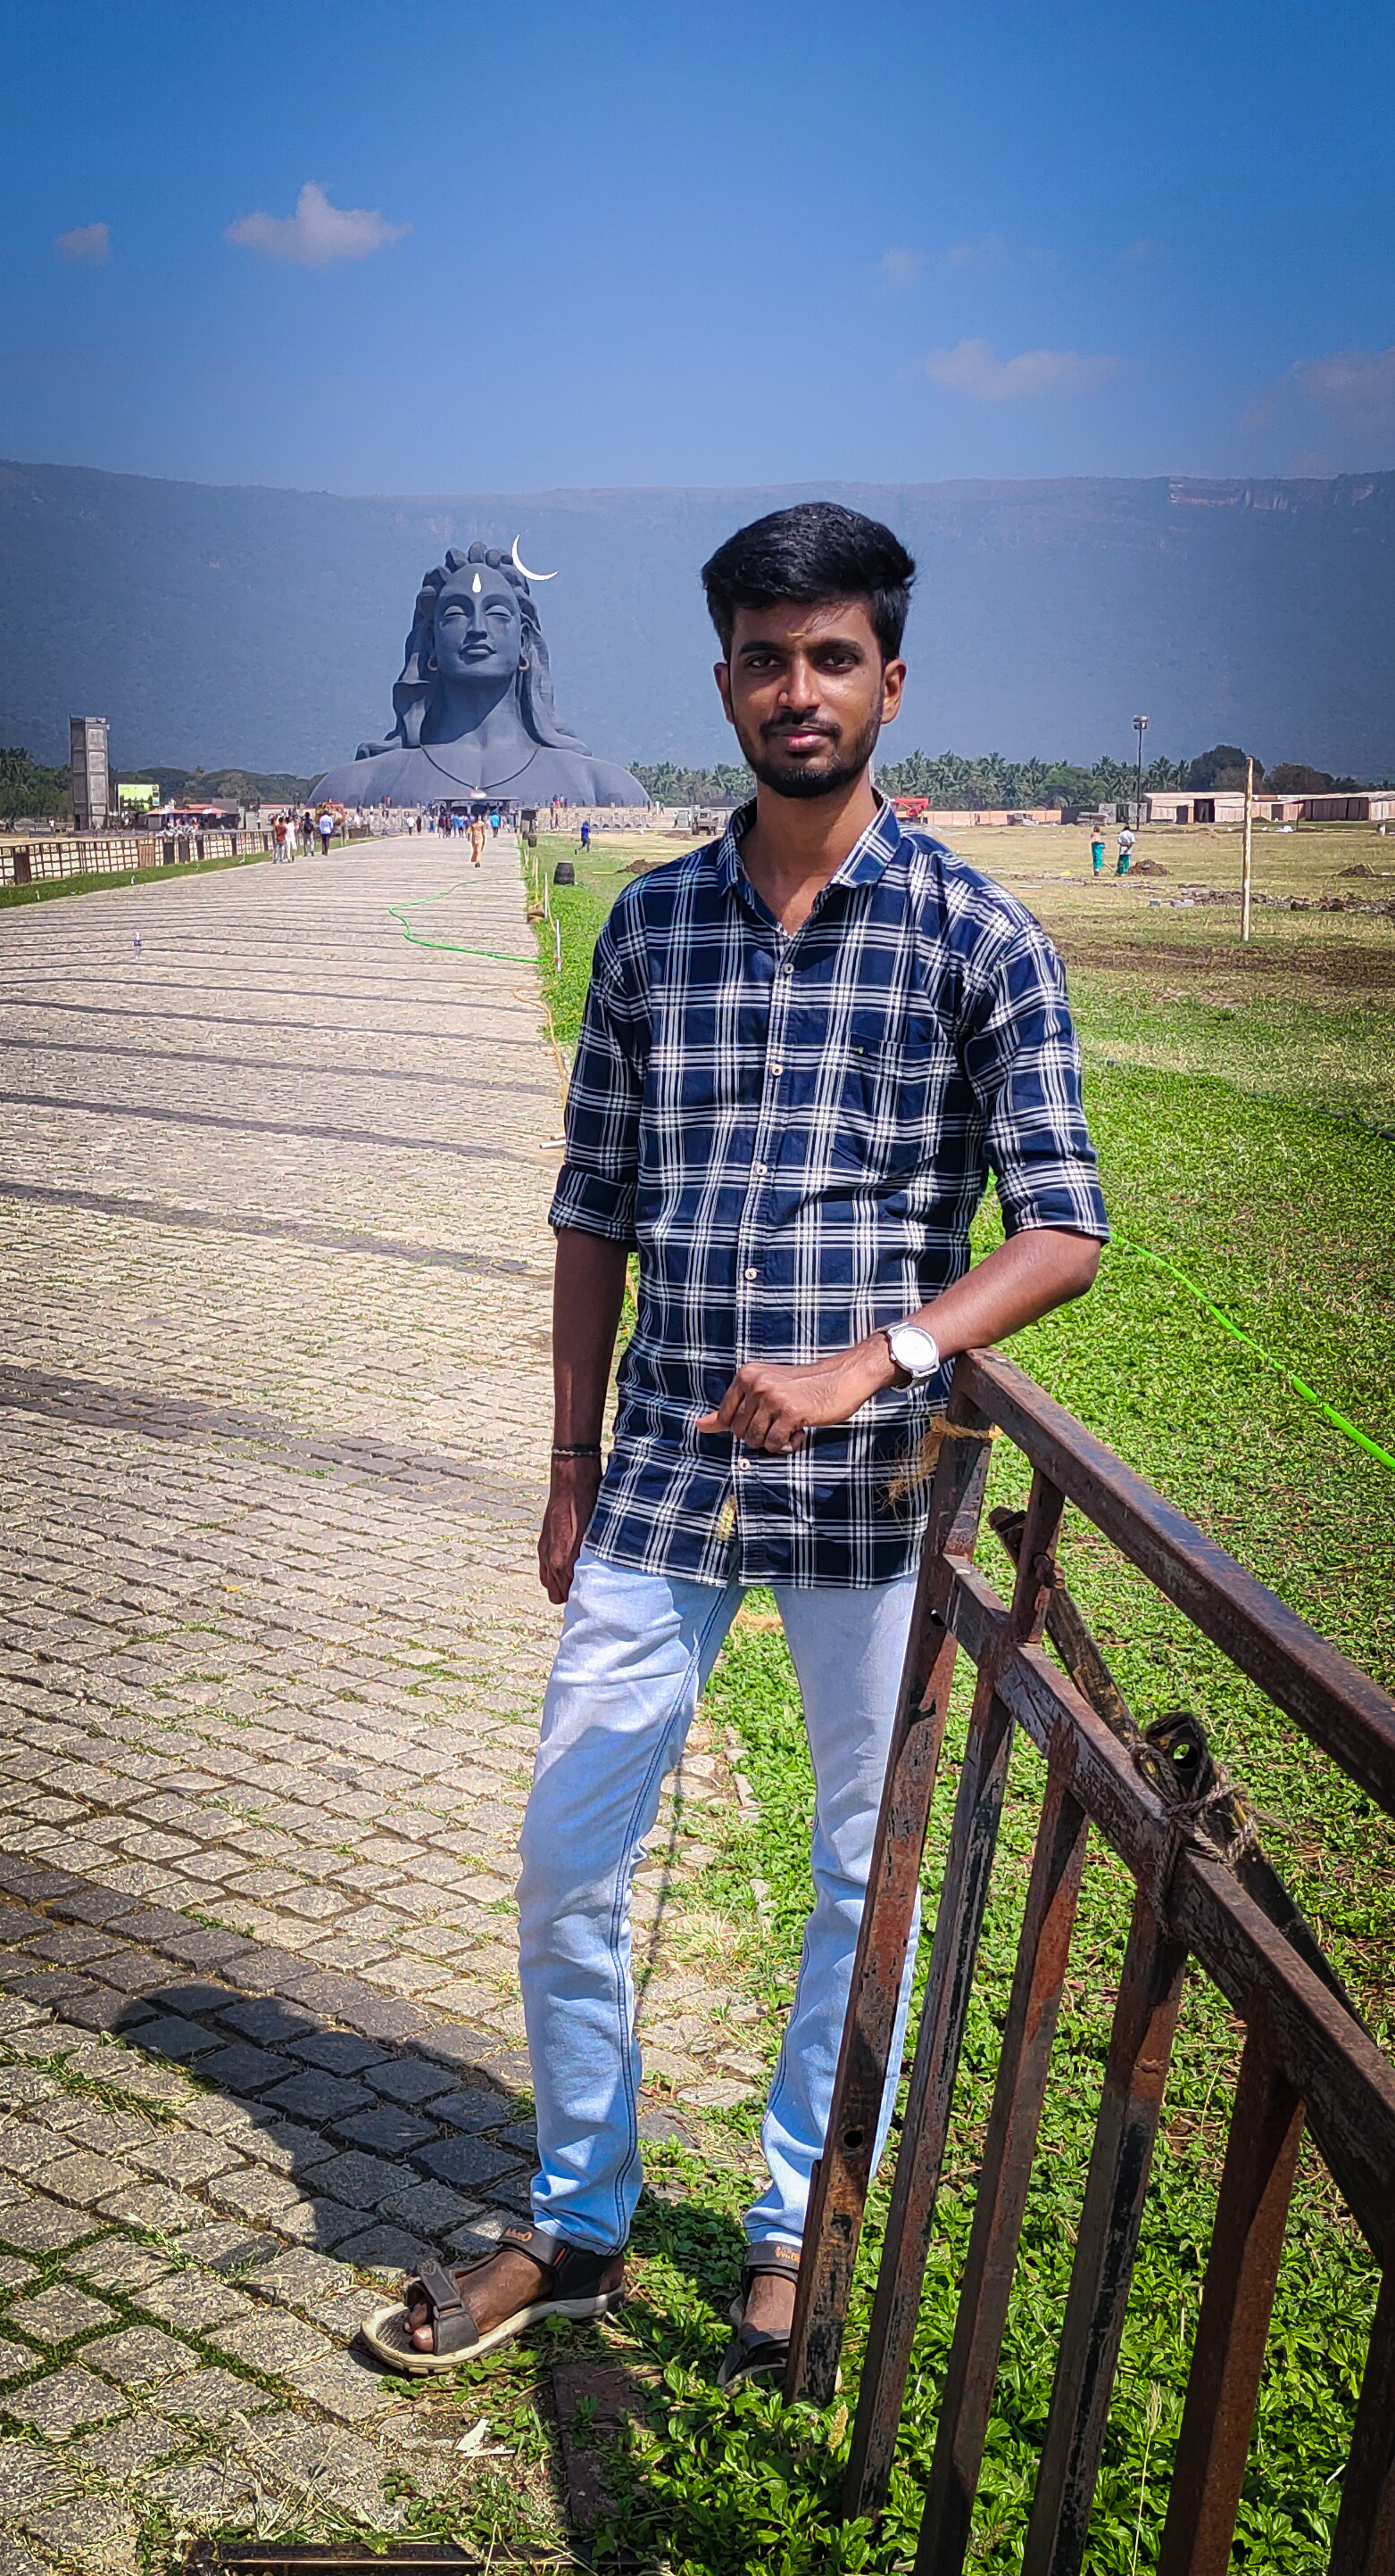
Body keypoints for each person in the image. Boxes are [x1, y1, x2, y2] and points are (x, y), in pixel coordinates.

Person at [358, 501, 1106, 2389]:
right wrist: (566, 1460)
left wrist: (884, 1357)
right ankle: (580, 2211)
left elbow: (1064, 1224)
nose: (799, 689)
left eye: (832, 655)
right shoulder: (651, 927)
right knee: (567, 1849)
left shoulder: (976, 934)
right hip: (666, 1475)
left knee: (862, 1869)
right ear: (724, 682)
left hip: (870, 1484)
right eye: (768, 658)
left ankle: (793, 2218)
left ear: (889, 681)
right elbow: (594, 1204)